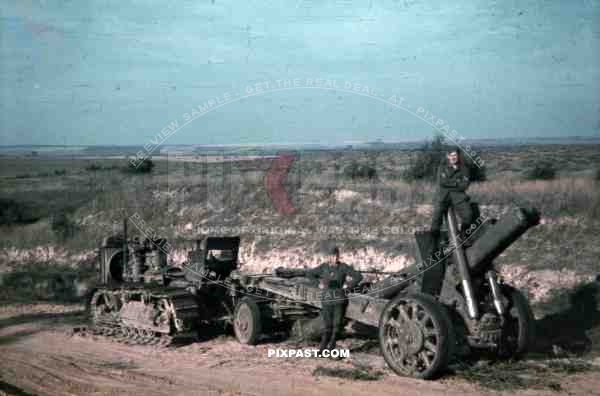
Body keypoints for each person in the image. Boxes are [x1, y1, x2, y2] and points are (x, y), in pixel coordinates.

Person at [306, 246, 362, 353]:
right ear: (328, 257)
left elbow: (358, 276)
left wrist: (348, 286)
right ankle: (322, 349)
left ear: (338, 256)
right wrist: (318, 284)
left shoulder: (343, 267)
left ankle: (331, 347)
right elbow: (309, 274)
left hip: (339, 300)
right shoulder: (323, 267)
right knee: (327, 326)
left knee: (337, 327)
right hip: (326, 300)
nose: (335, 258)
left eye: (336, 256)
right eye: (332, 256)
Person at [430, 147, 474, 246]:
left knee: (468, 215)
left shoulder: (464, 169)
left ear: (458, 156)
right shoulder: (442, 168)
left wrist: (450, 183)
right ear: (448, 156)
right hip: (443, 196)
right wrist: (456, 183)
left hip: (458, 197)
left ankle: (463, 235)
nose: (454, 157)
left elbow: (465, 185)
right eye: (452, 155)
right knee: (436, 220)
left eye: (455, 155)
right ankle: (435, 242)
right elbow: (442, 182)